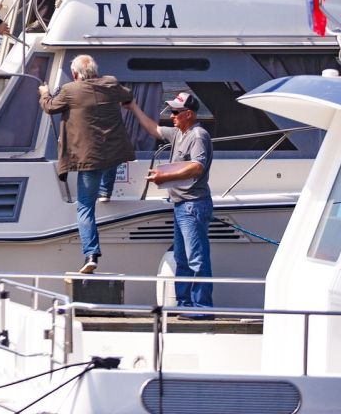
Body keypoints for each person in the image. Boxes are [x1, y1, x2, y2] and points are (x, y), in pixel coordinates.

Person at [39, 55, 135, 274]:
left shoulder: (70, 90)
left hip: (89, 160)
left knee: (84, 208)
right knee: (111, 161)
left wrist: (44, 94)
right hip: (113, 153)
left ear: (75, 74)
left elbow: (50, 107)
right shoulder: (110, 83)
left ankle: (91, 254)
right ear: (95, 71)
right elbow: (127, 95)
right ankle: (106, 192)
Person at [126, 92, 214, 316]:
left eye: (176, 112)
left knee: (196, 259)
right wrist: (133, 107)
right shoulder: (178, 133)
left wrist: (165, 178)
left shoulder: (198, 135)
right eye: (172, 111)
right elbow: (154, 129)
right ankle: (185, 306)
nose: (172, 115)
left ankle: (202, 309)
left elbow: (197, 167)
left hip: (193, 204)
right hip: (181, 205)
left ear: (189, 114)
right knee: (181, 259)